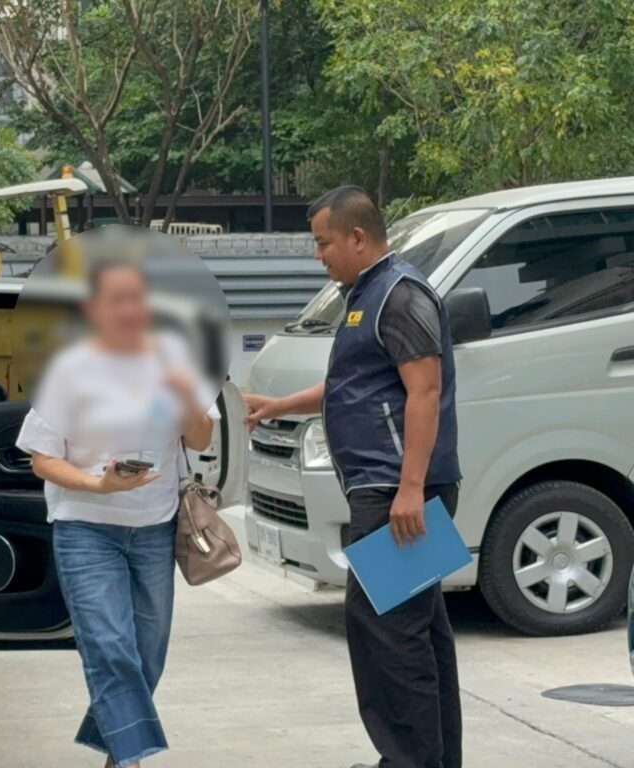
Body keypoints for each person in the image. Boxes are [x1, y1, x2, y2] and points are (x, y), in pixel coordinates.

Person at [244, 186, 463, 768]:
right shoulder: (366, 295)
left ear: (358, 237)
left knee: (385, 632)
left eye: (323, 243)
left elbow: (424, 392)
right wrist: (280, 405)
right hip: (390, 488)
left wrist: (410, 488)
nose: (318, 255)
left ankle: (408, 760)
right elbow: (356, 385)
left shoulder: (400, 295)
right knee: (418, 629)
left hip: (399, 492)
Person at [15, 260, 219, 768]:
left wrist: (184, 395)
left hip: (155, 528)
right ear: (93, 309)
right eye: (117, 300)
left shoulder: (174, 358)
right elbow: (42, 458)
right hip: (86, 529)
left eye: (138, 299)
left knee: (147, 652)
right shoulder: (69, 370)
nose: (131, 310)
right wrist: (98, 484)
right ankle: (130, 758)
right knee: (110, 647)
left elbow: (201, 437)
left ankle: (116, 747)